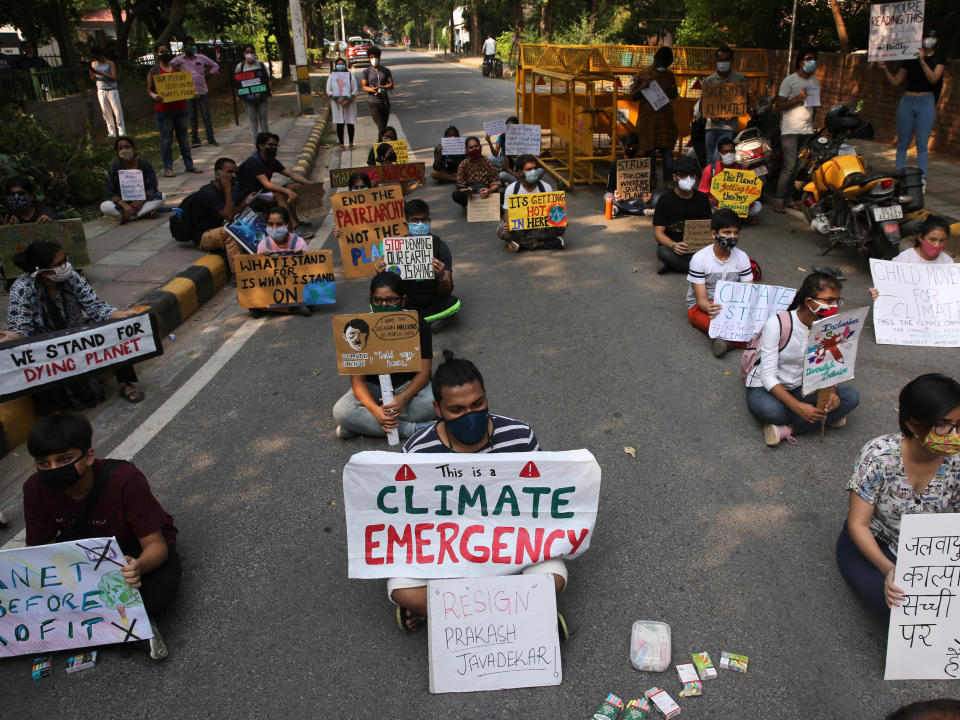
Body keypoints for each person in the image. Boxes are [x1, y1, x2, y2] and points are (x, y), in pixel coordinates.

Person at [394, 352, 567, 634]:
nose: (470, 415)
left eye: (477, 404)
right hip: (445, 548)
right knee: (403, 590)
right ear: (438, 409)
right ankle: (527, 615)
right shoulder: (417, 451)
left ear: (486, 395)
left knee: (553, 578)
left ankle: (443, 611)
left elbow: (543, 496)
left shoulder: (520, 435)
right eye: (457, 410)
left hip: (510, 543)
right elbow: (405, 513)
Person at [23, 412, 179, 660]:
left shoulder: (125, 480)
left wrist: (137, 567)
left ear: (89, 456)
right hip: (84, 555)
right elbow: (35, 553)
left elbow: (156, 546)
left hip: (134, 551)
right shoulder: (35, 489)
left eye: (64, 459)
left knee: (158, 597)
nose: (53, 469)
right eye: (44, 464)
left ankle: (128, 626)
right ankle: (127, 627)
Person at [836, 373, 960, 618]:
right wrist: (889, 570)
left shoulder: (956, 462)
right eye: (944, 425)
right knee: (903, 609)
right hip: (873, 545)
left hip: (925, 549)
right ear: (914, 425)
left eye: (959, 425)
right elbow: (858, 524)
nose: (955, 435)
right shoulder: (879, 456)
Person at [1, 241, 146, 406]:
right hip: (47, 345)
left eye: (65, 260)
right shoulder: (23, 288)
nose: (65, 266)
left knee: (113, 329)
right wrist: (15, 336)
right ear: (41, 271)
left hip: (76, 332)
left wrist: (121, 314)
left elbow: (95, 307)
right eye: (58, 264)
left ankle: (124, 382)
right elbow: (21, 326)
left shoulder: (72, 277)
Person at [744, 271, 860, 447]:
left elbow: (830, 368)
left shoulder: (833, 325)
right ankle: (822, 418)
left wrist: (832, 393)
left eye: (837, 300)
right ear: (809, 302)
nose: (834, 306)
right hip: (766, 387)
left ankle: (789, 429)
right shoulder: (778, 323)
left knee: (851, 397)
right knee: (774, 412)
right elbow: (767, 377)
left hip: (802, 387)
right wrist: (799, 407)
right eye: (829, 301)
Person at [332, 272, 435, 440]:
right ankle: (414, 429)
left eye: (391, 299)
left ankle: (361, 426)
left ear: (403, 300)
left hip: (408, 390)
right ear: (371, 300)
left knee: (437, 400)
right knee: (341, 411)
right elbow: (357, 381)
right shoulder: (359, 328)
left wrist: (402, 399)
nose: (384, 305)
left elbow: (424, 374)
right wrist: (375, 411)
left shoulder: (418, 323)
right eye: (377, 300)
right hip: (374, 390)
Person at [374, 199, 459, 326]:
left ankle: (412, 324)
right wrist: (380, 275)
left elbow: (447, 291)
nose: (420, 224)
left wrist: (441, 276)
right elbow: (385, 290)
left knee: (453, 303)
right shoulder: (394, 248)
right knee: (376, 303)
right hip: (406, 303)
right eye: (414, 220)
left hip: (432, 300)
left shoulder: (440, 246)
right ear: (406, 223)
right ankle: (428, 323)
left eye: (424, 219)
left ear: (429, 222)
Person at [880, 29, 946, 180]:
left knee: (922, 144)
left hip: (926, 101)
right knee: (902, 143)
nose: (929, 40)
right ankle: (899, 176)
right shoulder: (910, 57)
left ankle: (921, 180)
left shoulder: (939, 58)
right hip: (907, 100)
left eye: (932, 37)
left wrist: (922, 61)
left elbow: (934, 79)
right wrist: (885, 69)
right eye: (926, 37)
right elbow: (896, 81)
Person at [686, 209, 753, 358]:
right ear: (713, 234)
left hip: (731, 307)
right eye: (727, 232)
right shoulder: (700, 259)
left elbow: (748, 291)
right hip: (702, 308)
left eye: (736, 233)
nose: (732, 237)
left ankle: (726, 342)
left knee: (757, 327)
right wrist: (710, 308)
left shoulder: (742, 257)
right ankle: (731, 340)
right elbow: (701, 299)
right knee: (726, 328)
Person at [236, 132, 318, 239]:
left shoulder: (271, 161)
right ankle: (294, 227)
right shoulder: (254, 162)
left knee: (296, 186)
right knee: (278, 195)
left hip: (264, 194)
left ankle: (296, 218)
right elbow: (266, 184)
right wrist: (287, 192)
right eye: (270, 145)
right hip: (251, 199)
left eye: (275, 145)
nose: (273, 147)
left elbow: (291, 174)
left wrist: (312, 185)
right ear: (261, 146)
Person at [774, 50, 820, 213]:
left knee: (798, 166)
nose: (812, 61)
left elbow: (815, 106)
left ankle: (789, 199)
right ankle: (779, 199)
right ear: (800, 62)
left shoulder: (815, 81)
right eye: (808, 58)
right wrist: (798, 99)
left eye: (814, 59)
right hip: (790, 130)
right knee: (789, 165)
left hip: (806, 130)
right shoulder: (790, 81)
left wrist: (812, 124)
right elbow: (779, 106)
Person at [868, 216, 954, 301]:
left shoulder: (947, 261)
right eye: (932, 240)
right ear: (921, 238)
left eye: (942, 240)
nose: (937, 245)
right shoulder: (905, 259)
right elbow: (888, 286)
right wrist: (877, 292)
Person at [147, 43, 200, 178]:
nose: (164, 54)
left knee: (183, 138)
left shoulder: (177, 69)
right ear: (157, 54)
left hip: (180, 108)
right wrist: (155, 96)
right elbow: (149, 89)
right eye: (161, 51)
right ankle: (168, 168)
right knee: (166, 139)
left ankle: (189, 165)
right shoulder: (154, 71)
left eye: (166, 51)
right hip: (164, 110)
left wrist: (193, 93)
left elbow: (185, 86)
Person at [651, 156, 712, 274]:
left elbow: (709, 227)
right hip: (673, 247)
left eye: (692, 175)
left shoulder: (703, 199)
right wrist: (674, 245)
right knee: (663, 252)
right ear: (675, 177)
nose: (688, 178)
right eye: (684, 175)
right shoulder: (665, 200)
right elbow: (658, 233)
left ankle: (676, 265)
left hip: (697, 248)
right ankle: (698, 268)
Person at [629, 46, 678, 189]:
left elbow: (674, 94)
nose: (661, 67)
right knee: (648, 151)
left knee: (667, 151)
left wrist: (669, 91)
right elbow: (632, 96)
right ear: (655, 60)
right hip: (647, 120)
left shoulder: (670, 76)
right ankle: (651, 179)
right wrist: (642, 87)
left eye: (665, 65)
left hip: (665, 120)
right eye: (660, 63)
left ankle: (668, 179)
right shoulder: (643, 74)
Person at [189, 157, 255, 264]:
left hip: (218, 230)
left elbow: (233, 213)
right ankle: (237, 274)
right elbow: (229, 216)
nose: (234, 176)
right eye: (229, 172)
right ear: (218, 173)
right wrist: (228, 191)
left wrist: (245, 202)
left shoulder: (226, 190)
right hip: (203, 237)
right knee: (233, 232)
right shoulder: (208, 192)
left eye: (235, 173)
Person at [251, 206, 311, 318]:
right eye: (270, 224)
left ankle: (267, 309)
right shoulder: (263, 244)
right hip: (273, 288)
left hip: (294, 286)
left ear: (287, 225)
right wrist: (261, 258)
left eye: (279, 224)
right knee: (244, 295)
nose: (274, 228)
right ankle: (291, 308)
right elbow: (260, 276)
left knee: (312, 292)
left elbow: (307, 272)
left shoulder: (298, 242)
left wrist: (300, 257)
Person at [499, 154, 565, 252]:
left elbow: (554, 213)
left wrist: (559, 220)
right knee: (501, 230)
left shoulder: (546, 187)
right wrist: (508, 224)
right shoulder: (512, 189)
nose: (533, 172)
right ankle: (543, 243)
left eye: (535, 169)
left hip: (540, 228)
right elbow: (507, 213)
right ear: (520, 172)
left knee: (560, 228)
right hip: (522, 228)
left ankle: (521, 244)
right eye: (529, 169)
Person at [101, 136, 164, 224]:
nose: (124, 150)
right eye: (120, 148)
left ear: (134, 149)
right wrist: (125, 205)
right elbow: (111, 193)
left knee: (161, 196)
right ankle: (141, 213)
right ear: (117, 152)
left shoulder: (145, 165)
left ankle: (128, 216)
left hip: (143, 201)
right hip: (123, 204)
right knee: (105, 206)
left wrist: (140, 202)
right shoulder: (114, 168)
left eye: (127, 147)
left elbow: (152, 188)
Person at [171, 36, 220, 148]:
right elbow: (169, 67)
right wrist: (178, 74)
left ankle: (211, 138)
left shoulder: (201, 58)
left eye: (194, 45)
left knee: (206, 115)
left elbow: (215, 65)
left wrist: (210, 74)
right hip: (189, 92)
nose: (193, 47)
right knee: (192, 116)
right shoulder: (179, 60)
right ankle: (195, 139)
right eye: (190, 45)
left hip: (202, 90)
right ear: (185, 47)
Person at [698, 136, 762, 221]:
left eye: (731, 151)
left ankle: (729, 219)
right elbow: (702, 194)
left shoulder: (742, 168)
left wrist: (750, 201)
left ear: (735, 152)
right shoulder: (710, 170)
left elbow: (750, 191)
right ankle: (739, 220)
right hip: (717, 207)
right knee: (702, 207)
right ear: (719, 154)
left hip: (737, 206)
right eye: (725, 152)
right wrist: (709, 201)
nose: (729, 154)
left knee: (757, 205)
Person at [702, 45, 747, 165]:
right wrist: (711, 114)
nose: (723, 63)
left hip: (728, 127)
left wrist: (733, 113)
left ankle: (717, 182)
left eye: (726, 60)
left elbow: (744, 100)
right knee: (709, 159)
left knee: (719, 159)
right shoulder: (710, 80)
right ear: (716, 61)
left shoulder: (740, 79)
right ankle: (710, 182)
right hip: (711, 126)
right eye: (720, 60)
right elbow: (704, 102)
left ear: (731, 61)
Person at [606, 132, 659, 217]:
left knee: (659, 199)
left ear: (638, 147)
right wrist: (615, 193)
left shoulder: (644, 164)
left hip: (639, 199)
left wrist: (648, 194)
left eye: (633, 147)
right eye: (628, 147)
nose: (631, 149)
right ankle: (641, 211)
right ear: (623, 148)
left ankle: (620, 209)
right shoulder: (616, 164)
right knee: (608, 197)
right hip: (622, 199)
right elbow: (609, 188)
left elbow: (648, 186)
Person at [235, 45, 271, 140]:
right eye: (247, 52)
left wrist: (268, 91)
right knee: (253, 122)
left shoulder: (261, 65)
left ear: (255, 53)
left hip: (261, 98)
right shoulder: (240, 66)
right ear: (244, 54)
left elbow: (267, 79)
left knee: (263, 121)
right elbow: (237, 82)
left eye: (251, 52)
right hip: (248, 100)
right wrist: (239, 96)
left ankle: (266, 142)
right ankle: (256, 145)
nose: (249, 54)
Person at [452, 135, 499, 209]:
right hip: (471, 195)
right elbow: (460, 186)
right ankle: (469, 205)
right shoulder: (463, 164)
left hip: (486, 192)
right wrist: (467, 191)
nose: (474, 149)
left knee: (503, 195)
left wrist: (489, 190)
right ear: (466, 150)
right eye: (471, 147)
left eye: (476, 146)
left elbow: (496, 183)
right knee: (456, 195)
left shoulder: (489, 162)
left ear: (481, 147)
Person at [89, 46, 125, 137]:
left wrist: (103, 74)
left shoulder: (110, 63)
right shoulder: (93, 63)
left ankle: (121, 130)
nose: (97, 58)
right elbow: (94, 78)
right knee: (105, 111)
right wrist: (92, 73)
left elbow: (114, 78)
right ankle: (111, 131)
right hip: (101, 90)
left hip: (112, 90)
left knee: (117, 111)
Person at [326, 57, 358, 149]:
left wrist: (348, 100)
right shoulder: (332, 77)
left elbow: (355, 90)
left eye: (342, 64)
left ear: (345, 65)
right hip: (337, 104)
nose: (341, 66)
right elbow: (328, 91)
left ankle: (351, 142)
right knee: (339, 123)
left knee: (350, 123)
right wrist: (338, 99)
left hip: (349, 103)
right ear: (336, 66)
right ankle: (341, 143)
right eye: (339, 64)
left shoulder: (350, 76)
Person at [360, 47, 393, 131]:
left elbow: (391, 85)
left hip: (384, 102)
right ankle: (382, 143)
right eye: (371, 57)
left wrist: (383, 87)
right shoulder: (366, 72)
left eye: (376, 57)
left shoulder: (386, 71)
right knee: (381, 126)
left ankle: (382, 142)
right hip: (374, 102)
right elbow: (364, 87)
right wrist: (372, 89)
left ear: (379, 57)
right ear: (369, 58)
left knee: (384, 126)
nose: (374, 59)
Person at [486, 115, 520, 182]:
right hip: (504, 162)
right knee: (490, 158)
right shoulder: (502, 137)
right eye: (508, 126)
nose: (510, 128)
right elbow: (495, 154)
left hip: (518, 163)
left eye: (512, 127)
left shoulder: (521, 137)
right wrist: (489, 142)